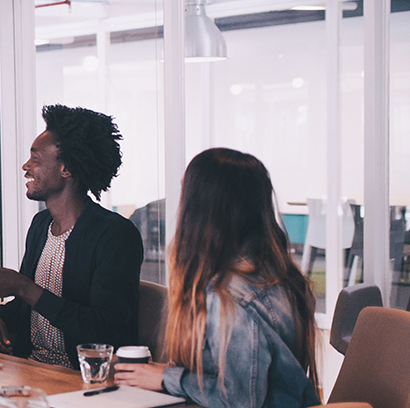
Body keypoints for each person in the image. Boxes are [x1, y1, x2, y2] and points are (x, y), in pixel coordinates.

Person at [116, 148, 321, 407]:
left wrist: (167, 379)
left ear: (202, 208)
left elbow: (239, 401)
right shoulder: (275, 276)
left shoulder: (230, 296)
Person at [0, 104, 143, 368]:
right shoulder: (41, 225)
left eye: (35, 159)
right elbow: (29, 308)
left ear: (67, 169)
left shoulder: (115, 235)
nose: (26, 166)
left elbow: (104, 330)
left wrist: (23, 286)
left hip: (83, 381)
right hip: (31, 369)